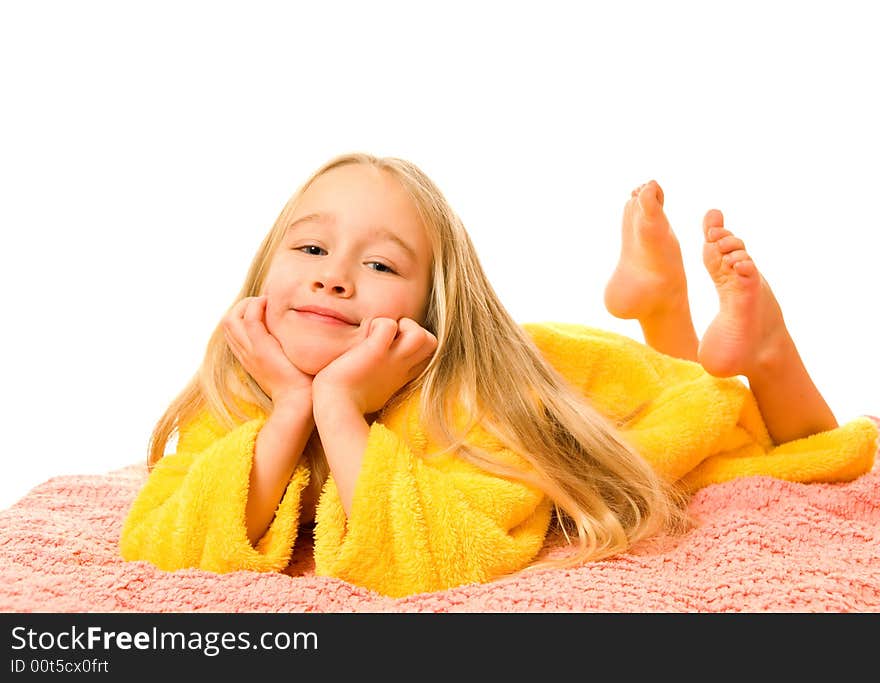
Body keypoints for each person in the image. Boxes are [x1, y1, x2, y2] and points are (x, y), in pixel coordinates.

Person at [119, 153, 878, 598]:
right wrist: (293, 406)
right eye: (311, 250)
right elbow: (166, 539)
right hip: (545, 365)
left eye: (379, 264)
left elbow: (435, 558)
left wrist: (341, 409)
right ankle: (661, 304)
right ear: (265, 270)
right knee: (699, 390)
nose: (335, 279)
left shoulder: (464, 403)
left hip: (595, 383)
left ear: (432, 311)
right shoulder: (245, 393)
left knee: (768, 436)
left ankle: (764, 347)